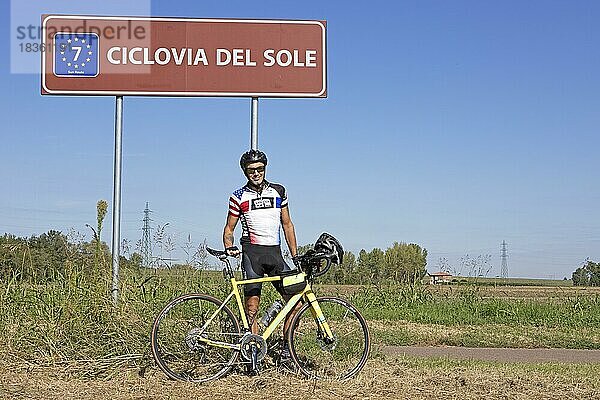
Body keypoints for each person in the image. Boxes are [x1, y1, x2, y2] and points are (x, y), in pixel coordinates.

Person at [222, 149, 298, 344]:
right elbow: (229, 229)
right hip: (252, 256)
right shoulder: (238, 196)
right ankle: (253, 351)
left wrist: (295, 255)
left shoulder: (279, 191)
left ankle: (287, 351)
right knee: (251, 309)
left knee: (295, 303)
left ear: (265, 169)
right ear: (245, 172)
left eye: (260, 169)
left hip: (275, 255)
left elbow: (287, 224)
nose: (256, 173)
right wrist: (229, 246)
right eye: (251, 170)